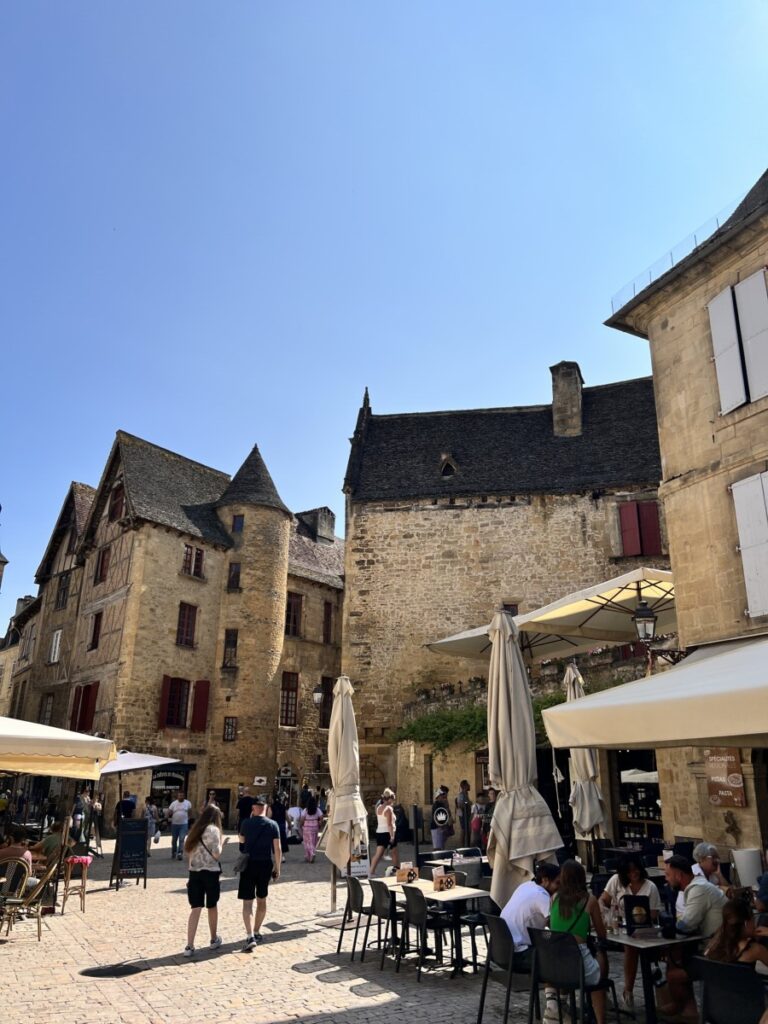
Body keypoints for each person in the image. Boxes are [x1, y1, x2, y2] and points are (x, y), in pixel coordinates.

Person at [659, 855, 728, 1020]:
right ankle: (687, 1009)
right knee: (674, 958)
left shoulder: (698, 889)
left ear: (679, 875)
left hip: (717, 952)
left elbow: (687, 924)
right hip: (713, 945)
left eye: (668, 875)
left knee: (673, 973)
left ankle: (684, 1009)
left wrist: (671, 925)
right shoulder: (698, 886)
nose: (666, 880)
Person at [548, 860, 608, 1024]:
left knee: (585, 960)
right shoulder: (590, 900)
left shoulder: (554, 898)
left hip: (556, 966)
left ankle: (558, 1005)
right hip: (578, 963)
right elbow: (602, 934)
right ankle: (601, 1019)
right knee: (601, 957)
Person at [599, 853, 661, 1009]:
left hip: (641, 931)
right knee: (600, 947)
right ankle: (602, 991)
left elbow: (654, 914)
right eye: (629, 871)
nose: (634, 873)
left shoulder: (650, 887)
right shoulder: (616, 882)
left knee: (631, 947)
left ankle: (628, 991)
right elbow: (603, 899)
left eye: (636, 870)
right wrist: (607, 911)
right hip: (618, 929)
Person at [182, 803, 228, 957]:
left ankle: (189, 945)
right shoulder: (214, 830)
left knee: (195, 909)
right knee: (212, 906)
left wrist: (190, 873)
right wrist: (222, 844)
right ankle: (213, 938)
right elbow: (216, 854)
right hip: (210, 872)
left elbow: (189, 854)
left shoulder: (195, 830)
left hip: (195, 872)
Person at [238, 796, 282, 951]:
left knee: (247, 902)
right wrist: (277, 868)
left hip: (249, 864)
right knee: (261, 899)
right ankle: (256, 930)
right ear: (266, 808)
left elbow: (241, 842)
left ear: (253, 808)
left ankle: (249, 935)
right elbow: (277, 848)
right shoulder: (273, 825)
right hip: (265, 864)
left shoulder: (246, 823)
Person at [501, 861, 560, 971]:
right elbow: (556, 927)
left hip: (501, 950)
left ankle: (551, 988)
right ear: (545, 880)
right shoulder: (541, 895)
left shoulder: (526, 885)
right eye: (557, 883)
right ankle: (554, 987)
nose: (559, 888)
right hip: (519, 954)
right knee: (561, 954)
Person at [705, 897, 768, 968]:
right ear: (746, 923)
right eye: (753, 919)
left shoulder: (713, 945)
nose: (755, 924)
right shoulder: (756, 950)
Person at [369, 788, 400, 876]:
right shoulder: (389, 809)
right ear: (389, 799)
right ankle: (397, 870)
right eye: (393, 799)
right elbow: (389, 824)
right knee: (394, 853)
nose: (393, 801)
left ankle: (371, 872)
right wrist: (392, 836)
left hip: (380, 832)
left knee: (378, 854)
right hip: (388, 833)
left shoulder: (379, 807)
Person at [167, 790, 192, 861]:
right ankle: (174, 851)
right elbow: (169, 812)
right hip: (175, 824)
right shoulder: (173, 804)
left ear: (184, 796)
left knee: (181, 839)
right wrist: (167, 819)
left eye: (182, 795)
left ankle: (180, 853)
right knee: (174, 840)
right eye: (180, 795)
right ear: (177, 796)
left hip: (184, 824)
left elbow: (190, 811)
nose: (181, 797)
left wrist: (189, 820)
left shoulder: (188, 803)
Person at [299, 794, 324, 863]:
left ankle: (311, 854)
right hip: (315, 827)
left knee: (307, 842)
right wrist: (320, 822)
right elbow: (321, 816)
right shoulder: (317, 809)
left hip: (307, 827)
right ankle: (308, 856)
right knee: (313, 841)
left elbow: (302, 819)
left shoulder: (305, 810)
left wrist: (300, 825)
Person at [430, 786, 453, 852]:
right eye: (443, 797)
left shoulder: (442, 804)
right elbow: (437, 817)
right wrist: (441, 827)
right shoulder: (437, 805)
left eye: (445, 797)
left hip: (441, 827)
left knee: (441, 846)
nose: (445, 798)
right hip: (437, 828)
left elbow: (446, 813)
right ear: (439, 796)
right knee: (437, 848)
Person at [455, 779, 471, 846]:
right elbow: (460, 804)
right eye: (468, 784)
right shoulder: (461, 794)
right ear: (465, 786)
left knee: (466, 829)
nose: (469, 785)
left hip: (466, 814)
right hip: (463, 814)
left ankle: (466, 844)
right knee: (463, 829)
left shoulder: (466, 794)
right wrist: (468, 803)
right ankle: (462, 845)